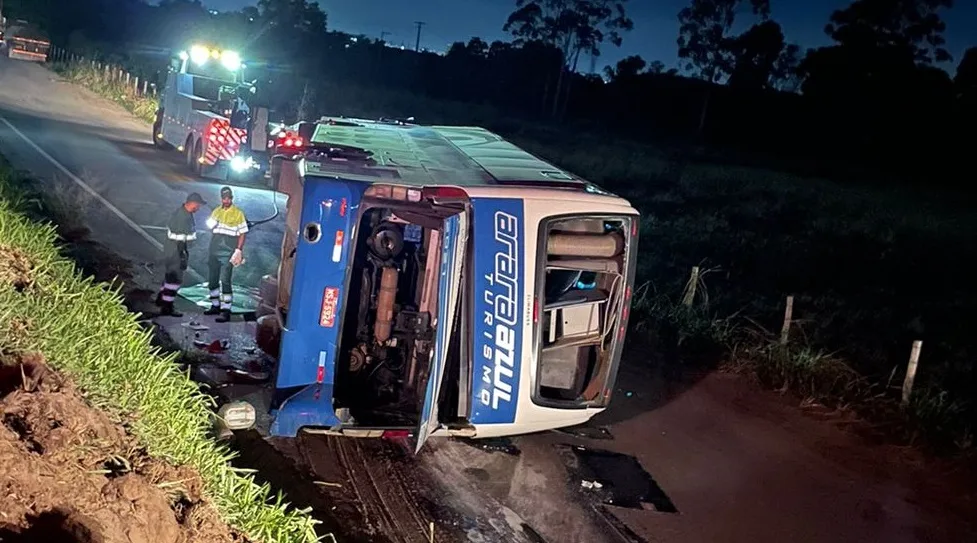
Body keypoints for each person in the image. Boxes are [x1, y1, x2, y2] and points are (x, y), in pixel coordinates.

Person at [155, 192, 207, 317]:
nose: (198, 208)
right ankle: (167, 307)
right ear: (192, 203)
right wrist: (191, 242)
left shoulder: (183, 213)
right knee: (175, 280)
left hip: (172, 250)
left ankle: (161, 299)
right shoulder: (183, 217)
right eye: (198, 205)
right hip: (176, 252)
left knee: (169, 277)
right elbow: (180, 237)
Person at [205, 186, 248, 323]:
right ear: (221, 198)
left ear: (232, 198)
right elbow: (209, 227)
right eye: (224, 198)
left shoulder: (238, 213)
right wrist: (214, 220)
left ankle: (226, 310)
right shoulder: (216, 212)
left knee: (225, 280)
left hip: (228, 251)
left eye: (229, 198)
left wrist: (238, 250)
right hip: (214, 250)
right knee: (212, 279)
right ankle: (215, 305)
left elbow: (242, 233)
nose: (226, 200)